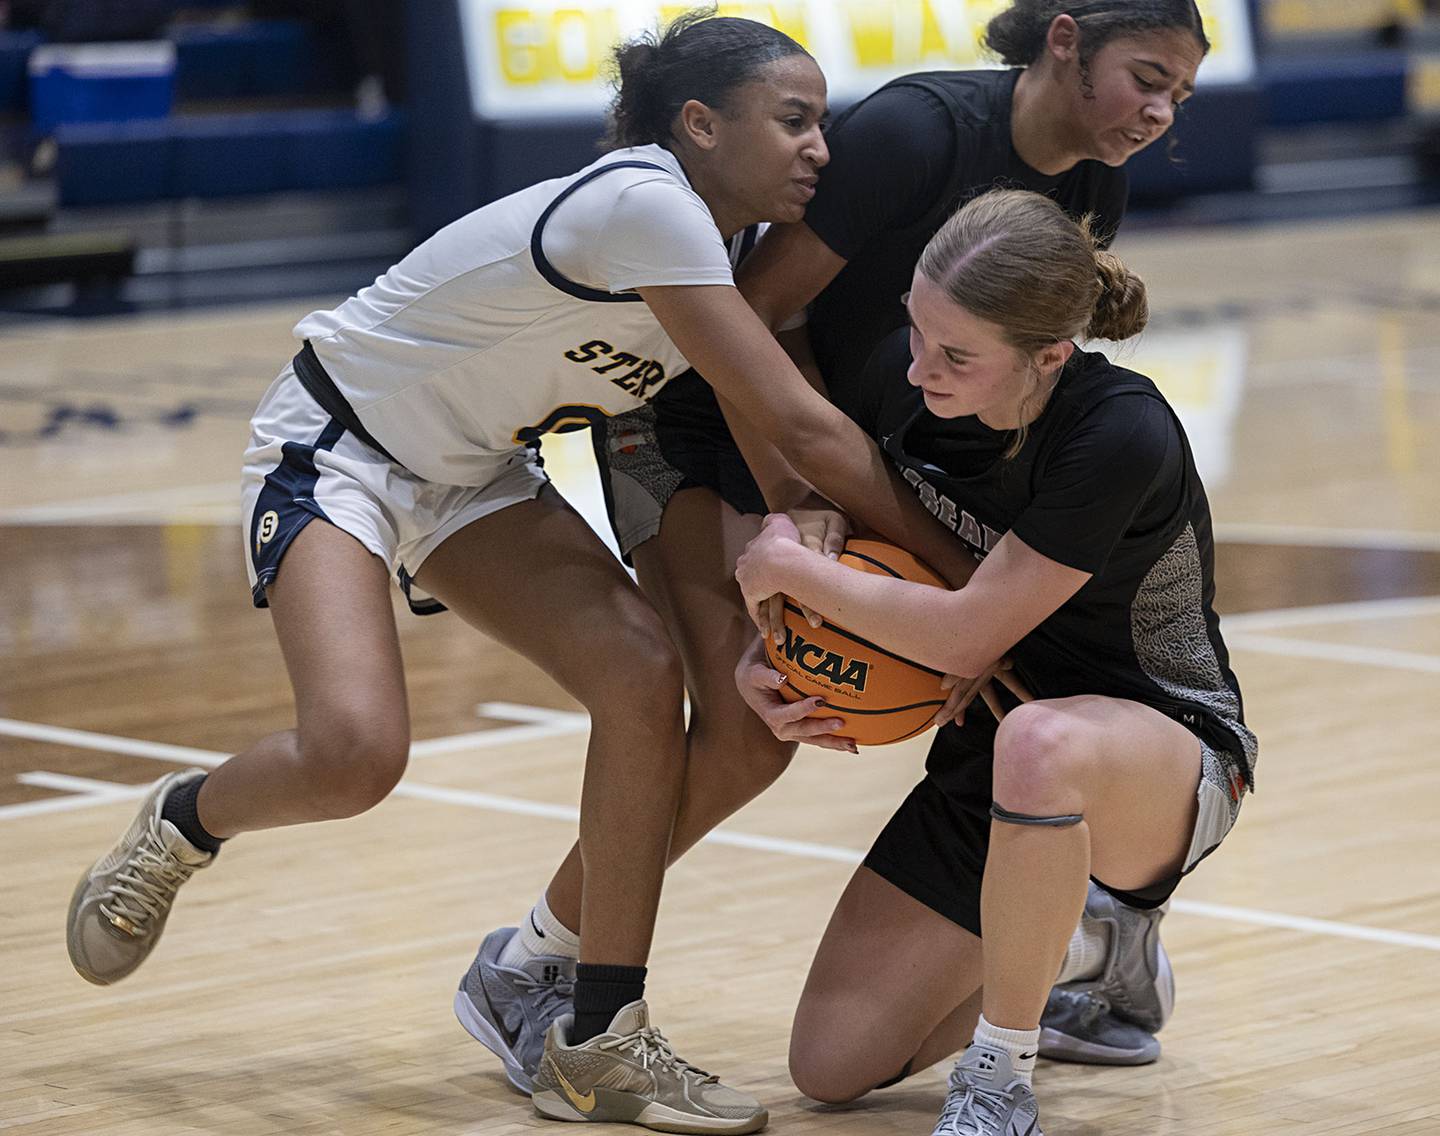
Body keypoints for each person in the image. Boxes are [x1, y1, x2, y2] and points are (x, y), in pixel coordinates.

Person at [63, 14, 977, 1133]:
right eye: (794, 120)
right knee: (355, 753)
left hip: (482, 473)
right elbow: (805, 425)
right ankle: (182, 821)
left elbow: (777, 446)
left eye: (824, 123)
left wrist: (797, 570)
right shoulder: (645, 204)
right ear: (700, 123)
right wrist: (965, 591)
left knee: (642, 674)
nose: (820, 148)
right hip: (343, 446)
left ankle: (599, 1037)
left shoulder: (731, 250)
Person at [561, 0, 1211, 1068]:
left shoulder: (1094, 183)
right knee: (742, 719)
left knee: (790, 711)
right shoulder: (920, 133)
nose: (1159, 110)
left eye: (1178, 94)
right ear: (1064, 41)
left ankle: (1077, 931)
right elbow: (746, 323)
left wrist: (930, 595)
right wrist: (788, 503)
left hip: (851, 449)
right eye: (1146, 76)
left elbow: (1004, 396)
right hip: (718, 404)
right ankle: (549, 958)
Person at [733, 187, 1258, 1136]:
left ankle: (1000, 1078)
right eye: (916, 331)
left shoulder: (1118, 431)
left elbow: (971, 634)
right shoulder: (913, 384)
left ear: (1049, 357)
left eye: (957, 354)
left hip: (1167, 753)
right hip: (996, 756)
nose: (919, 366)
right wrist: (770, 646)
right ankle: (1077, 941)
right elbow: (830, 521)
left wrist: (786, 573)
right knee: (833, 1067)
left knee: (1040, 739)